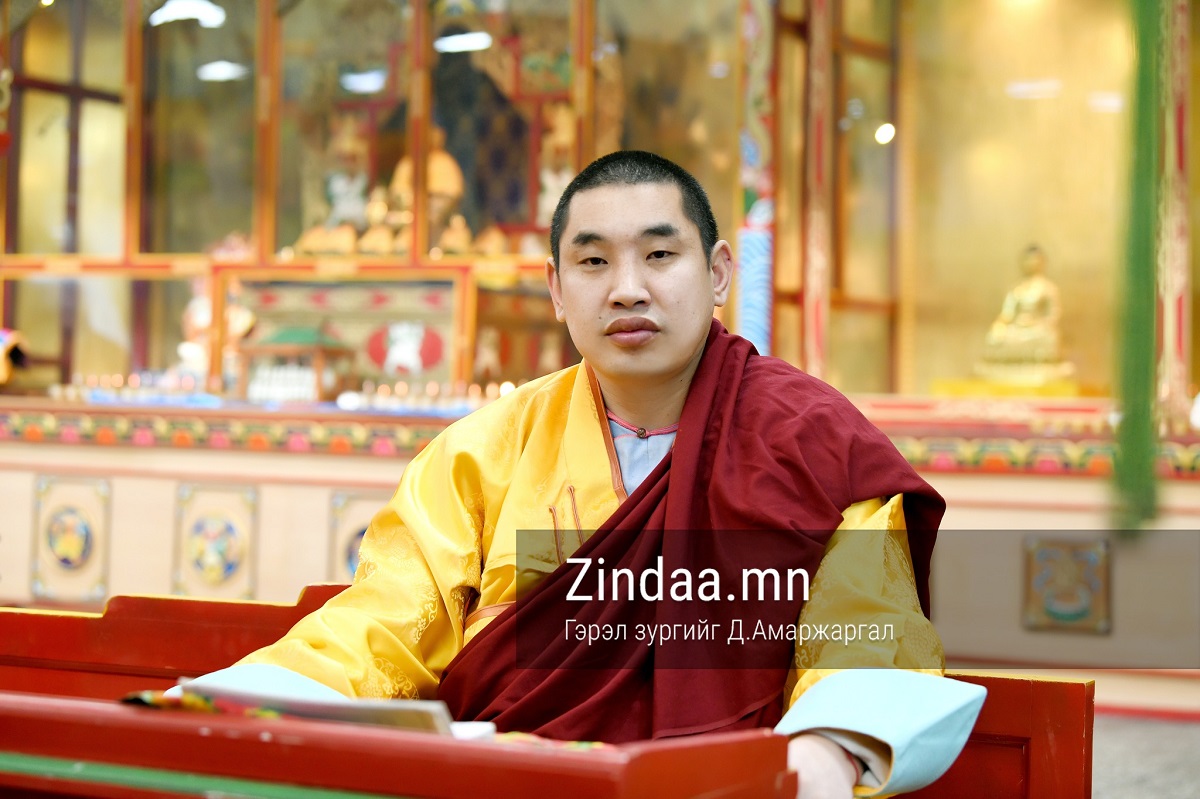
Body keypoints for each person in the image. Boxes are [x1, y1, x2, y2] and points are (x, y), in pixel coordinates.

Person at [181, 152, 983, 799]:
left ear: (718, 273)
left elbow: (867, 631)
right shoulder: (483, 452)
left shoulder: (810, 441)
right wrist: (243, 700)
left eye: (660, 255)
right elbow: (384, 622)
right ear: (557, 289)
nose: (628, 288)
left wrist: (826, 748)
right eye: (593, 261)